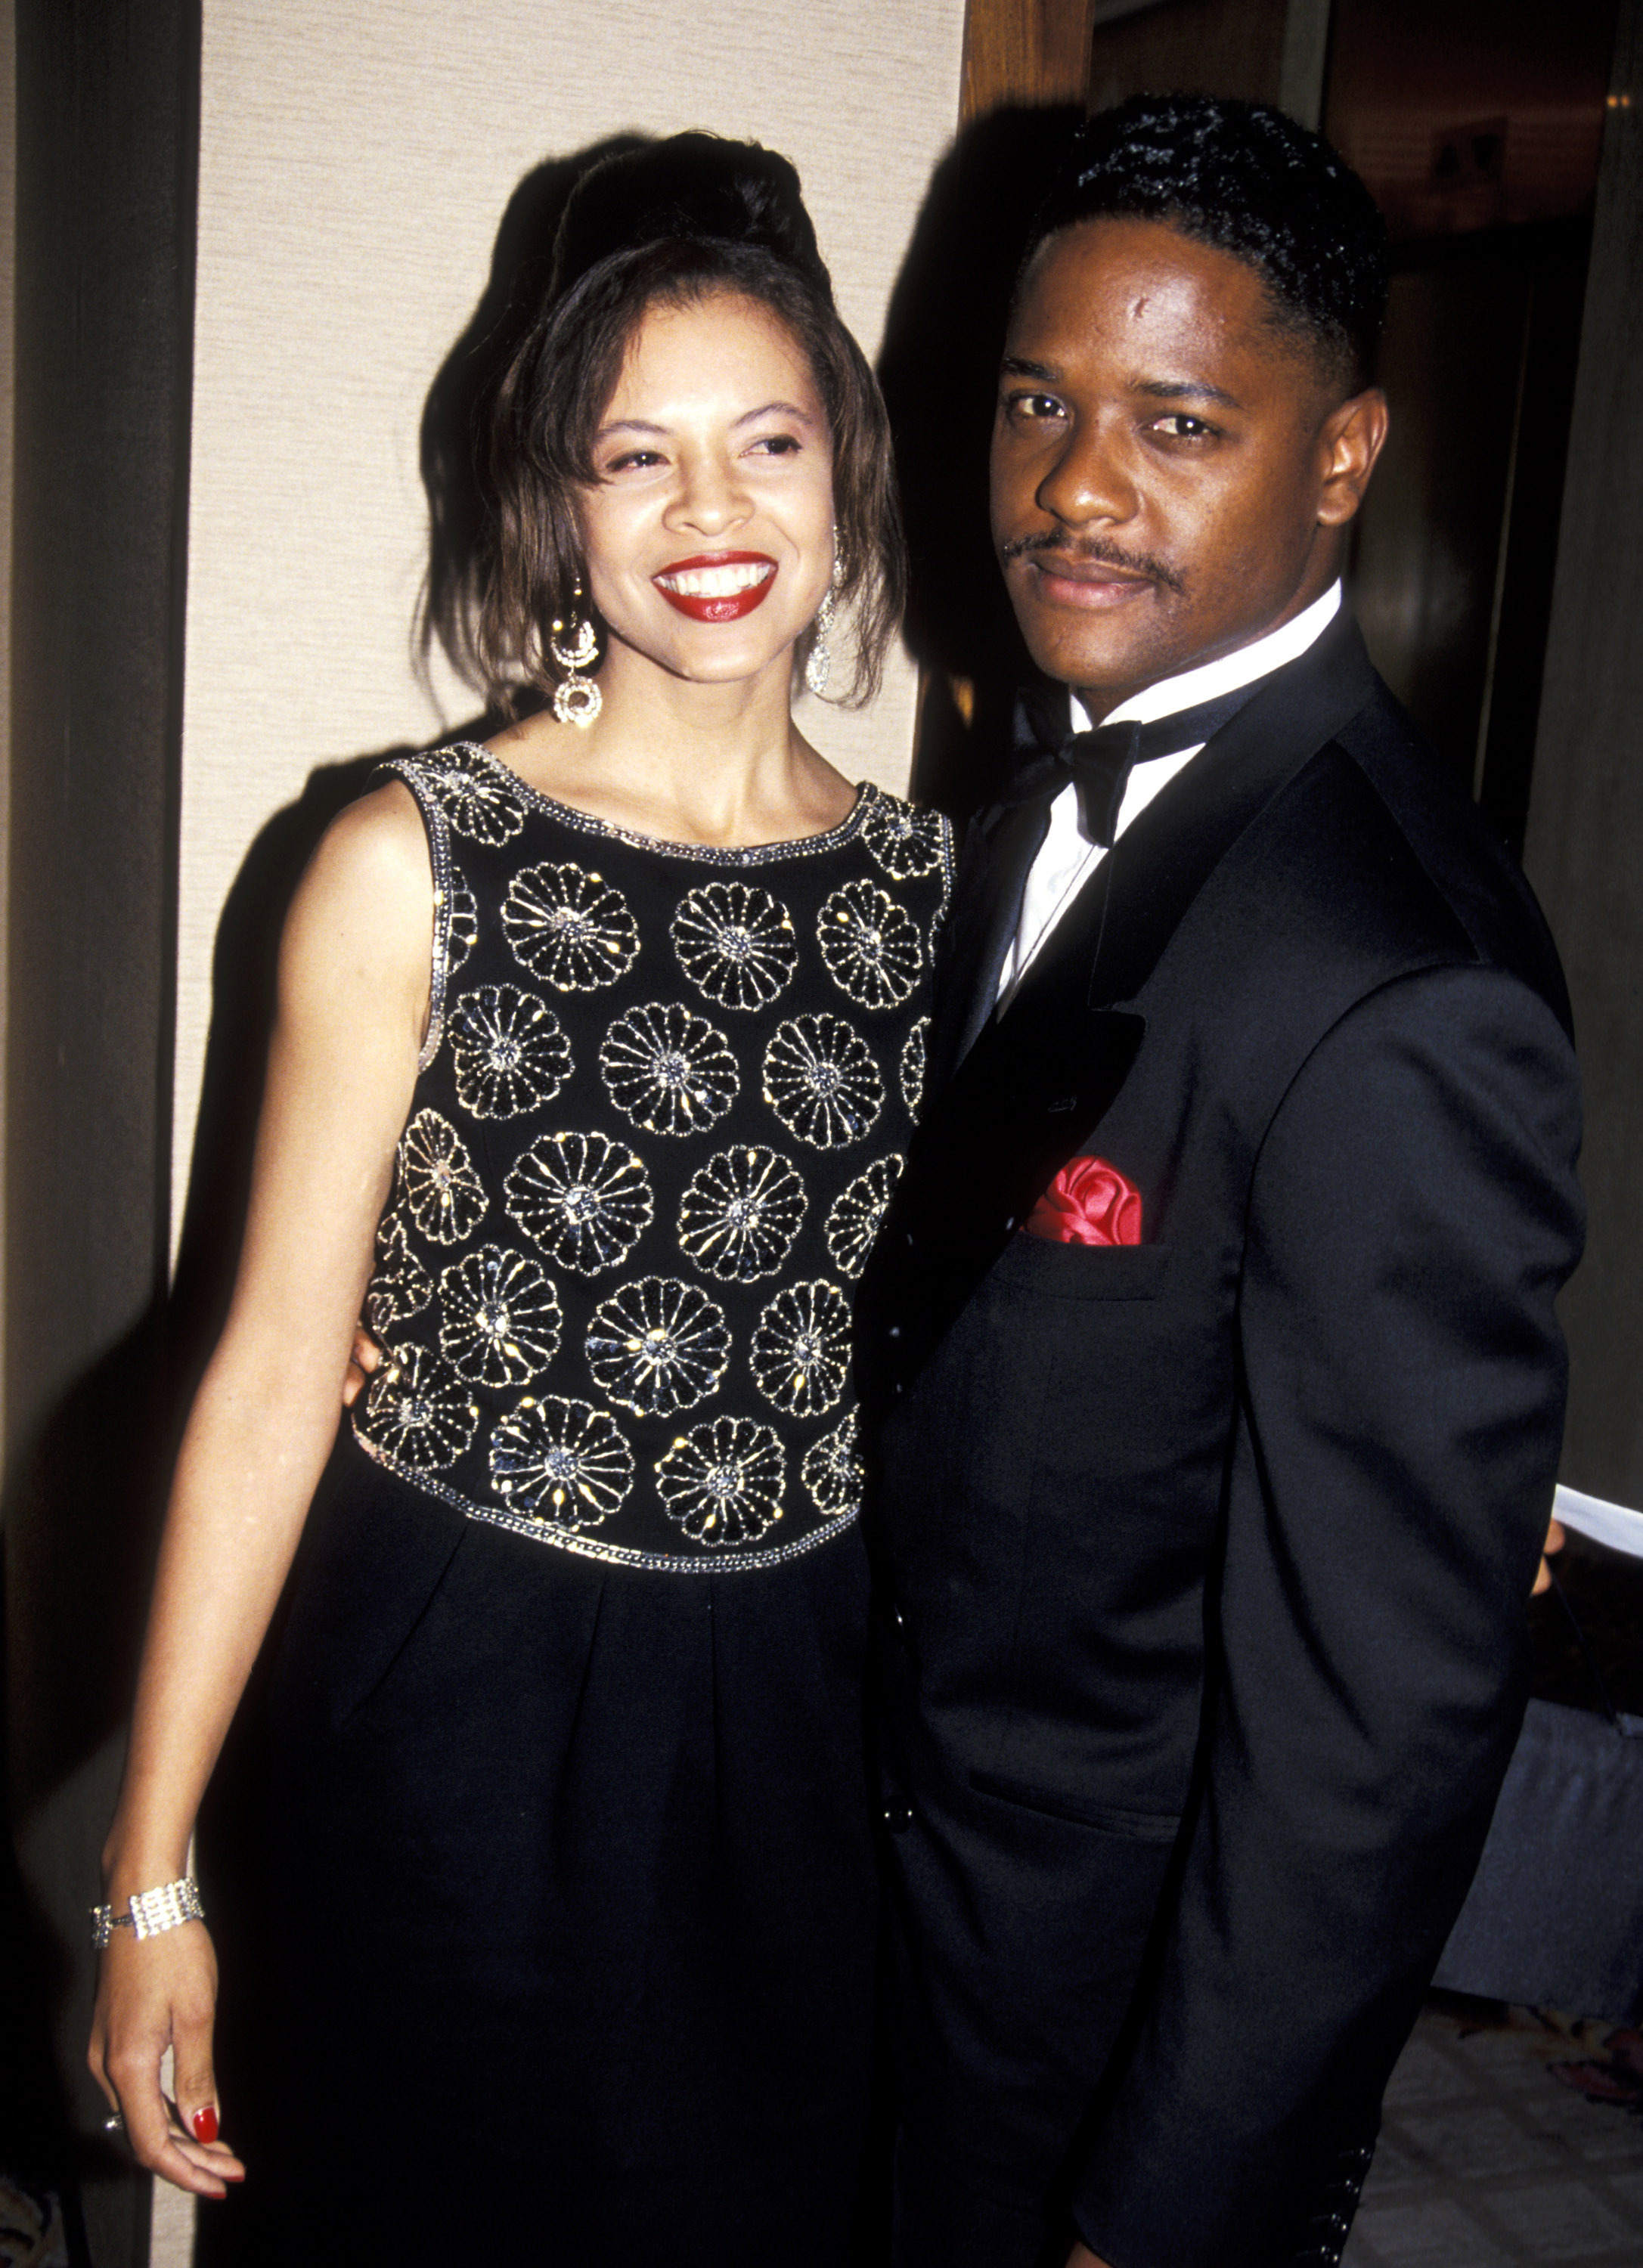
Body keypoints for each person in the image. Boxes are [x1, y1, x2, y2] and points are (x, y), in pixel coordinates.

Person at [89, 132, 949, 2266]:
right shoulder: (409, 862)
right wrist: (152, 1873)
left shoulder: (949, 894)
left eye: (764, 440)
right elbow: (275, 1376)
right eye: (631, 455)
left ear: (847, 462)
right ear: (552, 506)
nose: (711, 513)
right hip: (451, 1699)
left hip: (797, 1720)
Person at [857, 97, 1584, 2268]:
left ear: (1342, 459)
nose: (1077, 484)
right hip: (883, 1939)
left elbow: (1373, 1735)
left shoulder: (1400, 988)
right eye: (1035, 405)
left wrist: (1171, 2207)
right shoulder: (1001, 830)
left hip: (1102, 2046)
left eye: (1179, 420)